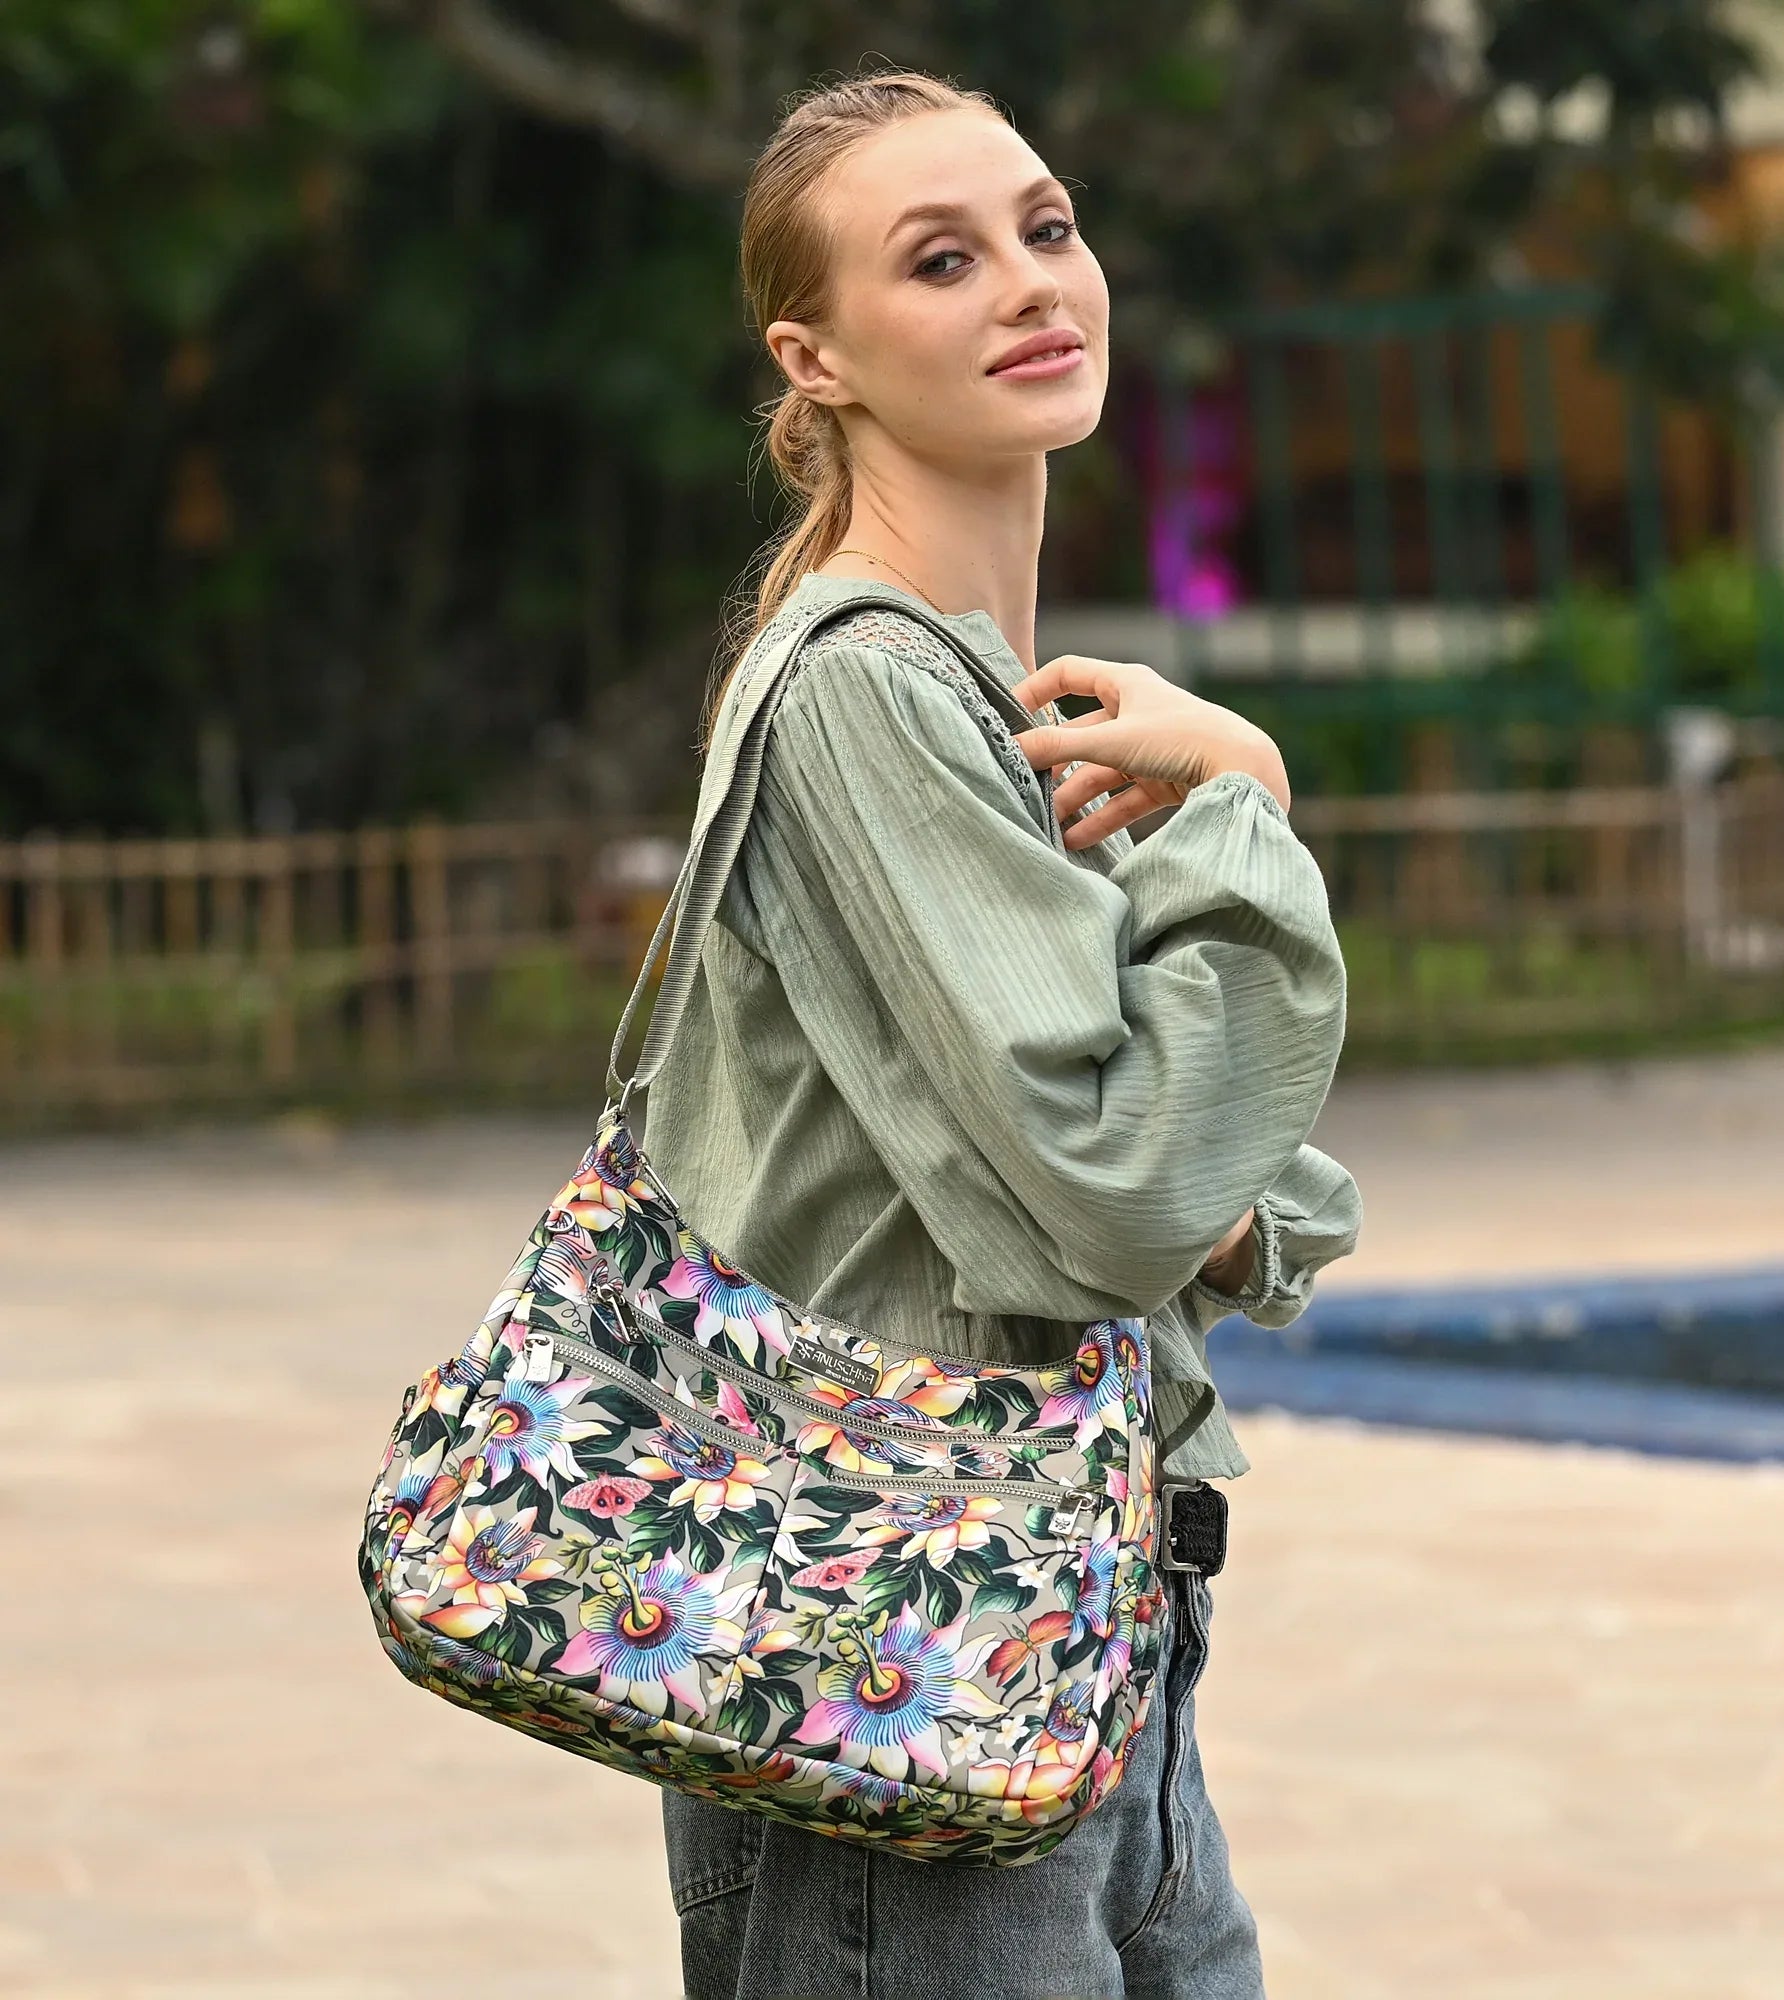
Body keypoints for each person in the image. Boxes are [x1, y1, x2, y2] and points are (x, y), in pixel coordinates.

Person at [645, 65, 1363, 2000]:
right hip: (905, 1665)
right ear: (816, 358)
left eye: (1046, 228)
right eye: (941, 259)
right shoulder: (862, 688)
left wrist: (1212, 1200)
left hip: (1074, 1629)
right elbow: (1129, 1188)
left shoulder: (988, 696)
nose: (1032, 282)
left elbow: (1171, 1183)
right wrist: (1246, 799)